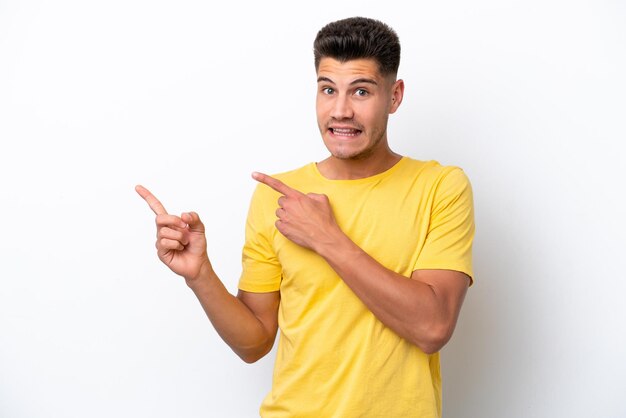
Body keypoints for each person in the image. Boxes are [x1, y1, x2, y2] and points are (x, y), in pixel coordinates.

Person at [137, 16, 474, 418]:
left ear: (395, 96)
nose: (341, 111)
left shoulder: (440, 186)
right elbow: (254, 343)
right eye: (328, 90)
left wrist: (326, 237)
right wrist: (200, 275)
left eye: (361, 91)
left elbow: (432, 328)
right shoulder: (276, 196)